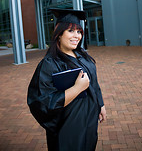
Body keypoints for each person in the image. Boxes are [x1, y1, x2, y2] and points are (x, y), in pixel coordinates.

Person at [27, 9, 106, 151]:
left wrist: (100, 104)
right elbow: (41, 102)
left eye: (79, 32)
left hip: (89, 121)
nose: (77, 36)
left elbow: (94, 83)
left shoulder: (83, 56)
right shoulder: (49, 64)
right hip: (68, 127)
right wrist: (76, 89)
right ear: (59, 34)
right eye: (71, 31)